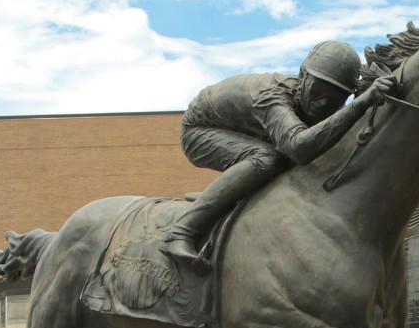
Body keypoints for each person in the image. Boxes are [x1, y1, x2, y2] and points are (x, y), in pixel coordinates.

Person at [162, 40, 397, 272]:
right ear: (303, 76)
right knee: (268, 159)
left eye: (334, 99)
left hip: (249, 130)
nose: (321, 103)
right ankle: (182, 231)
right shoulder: (273, 97)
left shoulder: (322, 104)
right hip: (200, 130)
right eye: (316, 92)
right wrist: (360, 104)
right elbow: (298, 147)